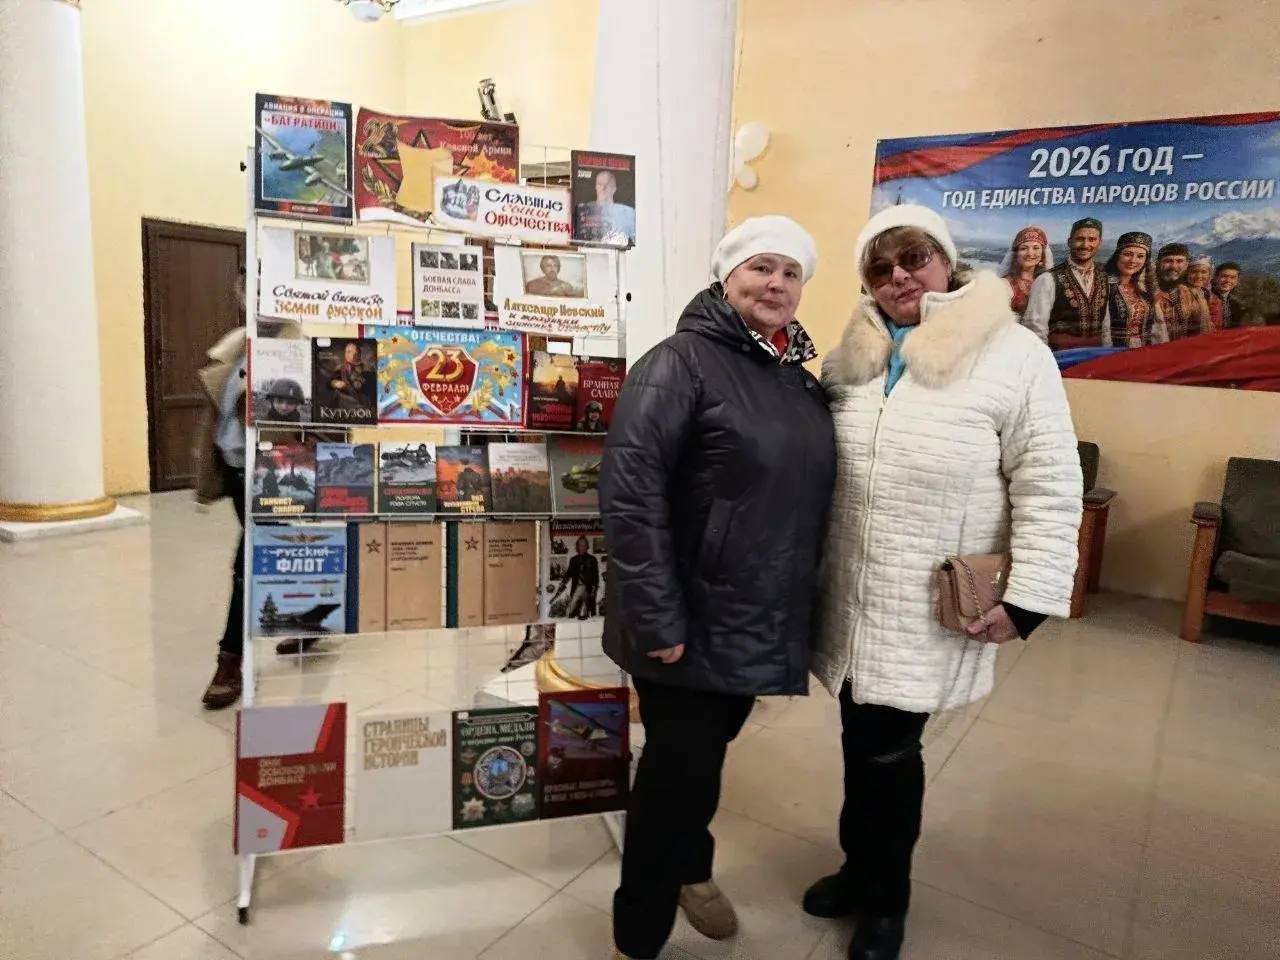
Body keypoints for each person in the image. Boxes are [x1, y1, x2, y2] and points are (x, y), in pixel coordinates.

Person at [802, 205, 1082, 960]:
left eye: (914, 256)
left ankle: (884, 901)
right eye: (880, 266)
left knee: (889, 755)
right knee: (863, 740)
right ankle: (859, 869)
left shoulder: (1014, 355)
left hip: (928, 602)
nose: (899, 276)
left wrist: (1029, 599)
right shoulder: (851, 361)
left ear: (947, 260)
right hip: (851, 595)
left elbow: (1050, 483)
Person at [601, 215, 835, 960]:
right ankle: (639, 932)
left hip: (752, 618)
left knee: (701, 764)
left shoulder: (797, 378)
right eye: (761, 267)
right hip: (685, 619)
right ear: (726, 277)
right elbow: (630, 495)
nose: (776, 284)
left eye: (791, 272)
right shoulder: (679, 363)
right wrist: (656, 617)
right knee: (674, 777)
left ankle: (690, 868)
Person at [196, 270, 249, 709]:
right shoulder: (234, 347)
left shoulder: (300, 349)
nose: (250, 294)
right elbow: (219, 418)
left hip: (278, 475)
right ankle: (308, 625)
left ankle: (229, 660)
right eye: (245, 286)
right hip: (235, 471)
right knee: (272, 554)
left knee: (247, 562)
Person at [1022, 217, 1111, 349]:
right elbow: (1035, 328)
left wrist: (1107, 353)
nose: (1085, 245)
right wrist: (1044, 359)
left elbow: (1105, 324)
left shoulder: (1103, 277)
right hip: (1061, 356)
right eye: (1080, 239)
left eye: (1092, 239)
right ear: (1069, 242)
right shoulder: (1047, 279)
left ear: (1100, 243)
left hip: (1096, 356)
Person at [1104, 231, 1168, 347]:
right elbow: (1103, 330)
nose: (1133, 260)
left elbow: (1159, 327)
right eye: (1128, 254)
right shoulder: (1104, 286)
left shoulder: (1147, 289)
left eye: (1140, 256)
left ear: (1145, 260)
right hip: (1113, 351)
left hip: (1145, 351)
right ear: (1117, 256)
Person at [1154, 243, 1211, 340]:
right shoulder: (1147, 291)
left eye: (1179, 261)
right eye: (1168, 261)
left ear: (1186, 265)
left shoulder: (1192, 293)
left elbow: (1204, 329)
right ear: (1158, 263)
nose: (1173, 266)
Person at [999, 226, 1052, 318]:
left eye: (1036, 248)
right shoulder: (1005, 285)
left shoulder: (1047, 281)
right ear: (1016, 254)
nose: (1030, 253)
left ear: (1042, 254)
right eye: (1023, 248)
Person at [576, 168, 637, 246]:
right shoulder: (583, 210)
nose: (603, 188)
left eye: (607, 185)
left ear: (614, 188)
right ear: (596, 187)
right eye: (600, 184)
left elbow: (636, 242)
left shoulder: (628, 212)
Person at [551, 536, 601, 619]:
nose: (582, 547)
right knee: (572, 613)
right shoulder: (573, 560)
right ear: (577, 546)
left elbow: (596, 576)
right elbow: (569, 573)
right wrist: (563, 582)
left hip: (588, 589)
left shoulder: (592, 559)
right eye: (580, 545)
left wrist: (594, 589)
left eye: (584, 545)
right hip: (576, 589)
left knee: (588, 615)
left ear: (587, 546)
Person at [1209, 261, 1251, 329]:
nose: (1228, 280)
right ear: (1216, 277)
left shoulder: (1236, 303)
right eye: (1224, 276)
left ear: (1237, 281)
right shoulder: (1207, 297)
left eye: (1232, 277)